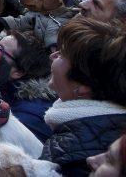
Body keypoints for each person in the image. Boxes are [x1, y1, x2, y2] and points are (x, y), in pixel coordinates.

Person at [41, 17, 126, 176]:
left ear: (82, 88)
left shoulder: (76, 156)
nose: (53, 56)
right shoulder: (91, 130)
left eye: (62, 55)